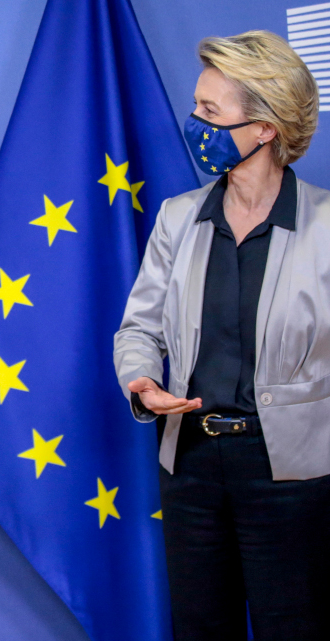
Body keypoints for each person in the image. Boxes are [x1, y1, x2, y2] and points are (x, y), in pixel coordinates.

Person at [114, 31, 330, 640]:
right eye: (196, 106)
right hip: (191, 465)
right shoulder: (178, 217)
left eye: (211, 111)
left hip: (294, 475)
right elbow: (139, 327)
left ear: (264, 128)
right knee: (200, 627)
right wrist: (142, 379)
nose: (194, 123)